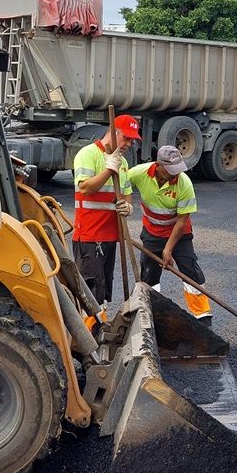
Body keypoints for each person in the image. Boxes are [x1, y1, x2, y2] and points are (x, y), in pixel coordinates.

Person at [128, 145, 210, 320]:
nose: (175, 174)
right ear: (158, 165)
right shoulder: (139, 173)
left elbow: (182, 221)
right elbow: (121, 183)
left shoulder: (184, 183)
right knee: (149, 274)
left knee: (190, 272)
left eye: (178, 169)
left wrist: (168, 249)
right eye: (171, 170)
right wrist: (122, 203)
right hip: (152, 232)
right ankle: (152, 314)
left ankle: (203, 317)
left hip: (179, 234)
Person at [73, 114, 139, 326]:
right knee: (91, 289)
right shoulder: (88, 154)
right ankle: (88, 338)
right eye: (126, 138)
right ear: (113, 131)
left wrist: (128, 206)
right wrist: (109, 169)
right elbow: (85, 188)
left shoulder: (124, 162)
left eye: (132, 140)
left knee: (103, 288)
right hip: (90, 235)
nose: (129, 144)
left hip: (110, 235)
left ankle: (100, 330)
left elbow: (127, 193)